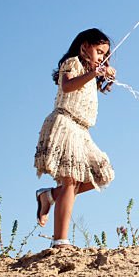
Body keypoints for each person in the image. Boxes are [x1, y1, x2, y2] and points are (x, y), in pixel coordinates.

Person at [33, 28, 117, 250]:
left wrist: (102, 75)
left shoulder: (90, 74)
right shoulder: (72, 63)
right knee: (70, 180)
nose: (101, 57)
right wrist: (94, 73)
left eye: (104, 55)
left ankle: (49, 196)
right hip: (65, 124)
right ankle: (60, 241)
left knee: (101, 175)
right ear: (84, 47)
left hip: (82, 131)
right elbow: (67, 86)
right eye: (99, 51)